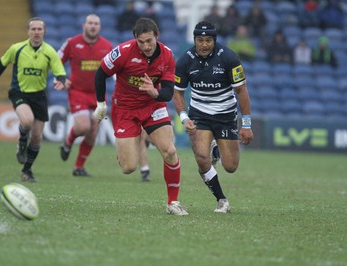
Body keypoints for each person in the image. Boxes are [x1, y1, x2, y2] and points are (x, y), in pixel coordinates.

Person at [93, 17, 188, 216]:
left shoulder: (168, 56)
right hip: (125, 109)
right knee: (128, 167)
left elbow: (169, 92)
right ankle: (124, 148)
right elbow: (100, 74)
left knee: (169, 151)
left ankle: (173, 202)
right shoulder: (123, 52)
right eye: (141, 41)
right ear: (135, 38)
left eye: (149, 41)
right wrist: (101, 103)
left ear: (157, 37)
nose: (145, 46)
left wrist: (155, 93)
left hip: (153, 106)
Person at [173, 21, 254, 213]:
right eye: (200, 40)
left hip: (225, 116)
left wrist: (247, 124)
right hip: (200, 115)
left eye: (208, 40)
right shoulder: (185, 60)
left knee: (230, 166)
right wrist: (185, 118)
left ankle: (216, 149)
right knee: (202, 158)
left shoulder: (228, 57)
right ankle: (222, 200)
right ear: (194, 40)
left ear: (214, 41)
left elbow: (241, 91)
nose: (203, 44)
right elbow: (177, 94)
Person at [0, 17, 66, 182]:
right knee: (27, 121)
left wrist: (61, 81)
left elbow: (60, 72)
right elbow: (2, 63)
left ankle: (27, 170)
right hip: (19, 92)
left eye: (40, 29)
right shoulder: (17, 48)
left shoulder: (50, 51)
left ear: (44, 31)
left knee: (37, 137)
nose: (37, 32)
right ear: (28, 31)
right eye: (34, 29)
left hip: (39, 96)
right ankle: (22, 140)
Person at [58, 14, 113, 177]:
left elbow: (116, 67)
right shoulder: (72, 43)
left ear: (100, 27)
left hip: (98, 94)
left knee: (93, 131)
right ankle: (68, 142)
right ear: (84, 26)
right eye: (90, 23)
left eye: (96, 23)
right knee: (83, 127)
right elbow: (55, 60)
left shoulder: (106, 46)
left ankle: (78, 167)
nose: (93, 26)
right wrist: (61, 78)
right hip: (78, 92)